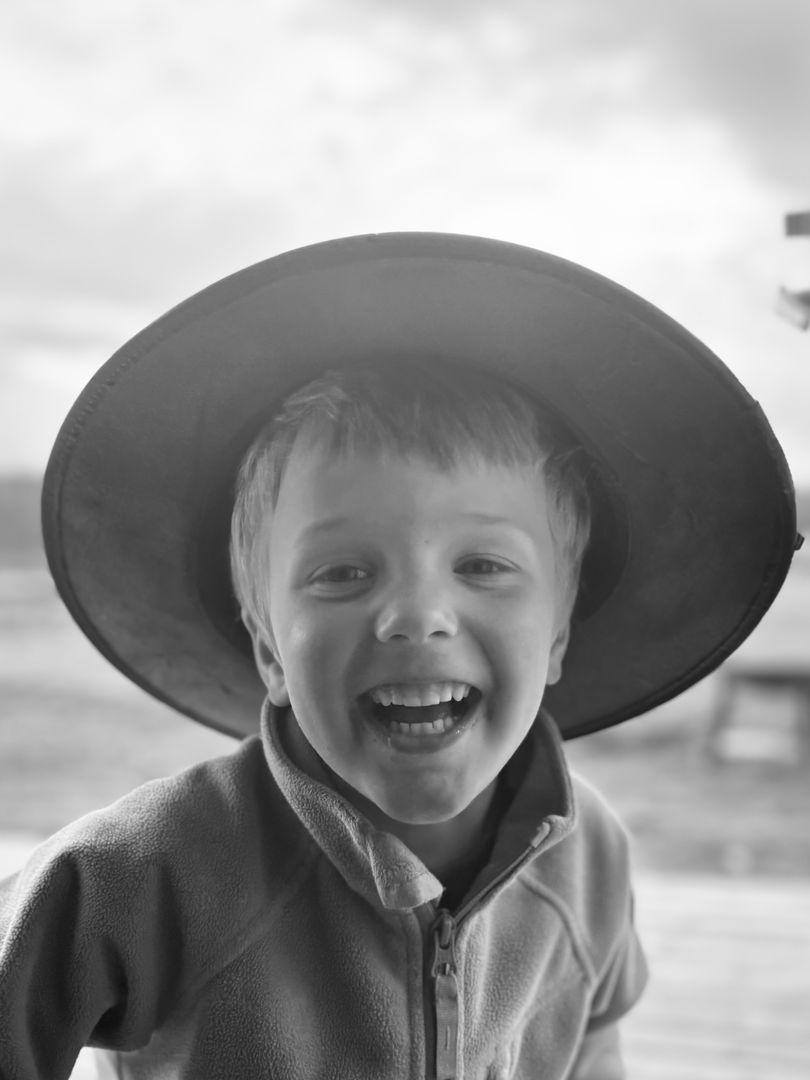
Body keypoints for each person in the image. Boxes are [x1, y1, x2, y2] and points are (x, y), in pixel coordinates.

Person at [0, 232, 800, 1079]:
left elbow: (594, 1050)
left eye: (482, 565)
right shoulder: (147, 875)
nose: (417, 617)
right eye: (343, 573)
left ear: (559, 633)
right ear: (269, 647)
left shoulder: (589, 857)